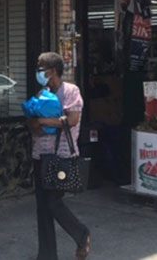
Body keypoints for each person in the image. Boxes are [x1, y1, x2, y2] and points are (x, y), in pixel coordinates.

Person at [28, 52, 91, 260]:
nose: (37, 71)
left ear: (52, 71)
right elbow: (34, 125)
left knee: (53, 203)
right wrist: (37, 122)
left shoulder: (71, 91)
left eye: (40, 67)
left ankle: (81, 234)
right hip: (40, 156)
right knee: (42, 208)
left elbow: (72, 120)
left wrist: (45, 121)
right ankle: (46, 255)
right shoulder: (41, 93)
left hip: (61, 157)